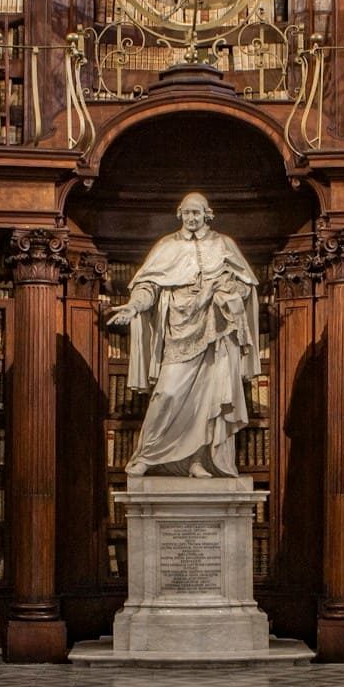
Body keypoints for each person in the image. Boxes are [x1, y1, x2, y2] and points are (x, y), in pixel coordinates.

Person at [105, 192, 261, 477]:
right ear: (180, 214)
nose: (191, 218)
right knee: (167, 392)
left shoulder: (224, 245)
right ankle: (148, 454)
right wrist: (134, 307)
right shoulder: (166, 246)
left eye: (196, 213)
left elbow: (245, 285)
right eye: (187, 213)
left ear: (207, 214)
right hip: (178, 332)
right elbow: (148, 286)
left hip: (214, 333)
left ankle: (196, 461)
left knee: (209, 400)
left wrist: (227, 294)